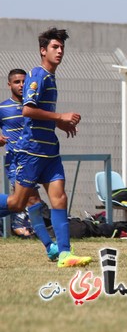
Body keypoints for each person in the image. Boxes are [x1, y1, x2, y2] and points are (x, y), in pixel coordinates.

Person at [0, 28, 92, 267]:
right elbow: (27, 110)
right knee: (17, 203)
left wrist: (58, 123)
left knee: (59, 198)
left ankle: (64, 254)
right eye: (55, 47)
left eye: (62, 47)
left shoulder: (50, 77)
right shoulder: (38, 75)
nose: (60, 51)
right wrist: (60, 116)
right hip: (31, 152)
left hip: (49, 150)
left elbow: (38, 115)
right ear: (43, 50)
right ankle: (56, 249)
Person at [0, 68, 58, 259]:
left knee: (26, 203)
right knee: (30, 201)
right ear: (9, 85)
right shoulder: (3, 109)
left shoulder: (35, 106)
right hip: (16, 161)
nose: (21, 85)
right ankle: (50, 247)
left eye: (24, 81)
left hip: (35, 157)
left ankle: (50, 246)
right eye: (17, 82)